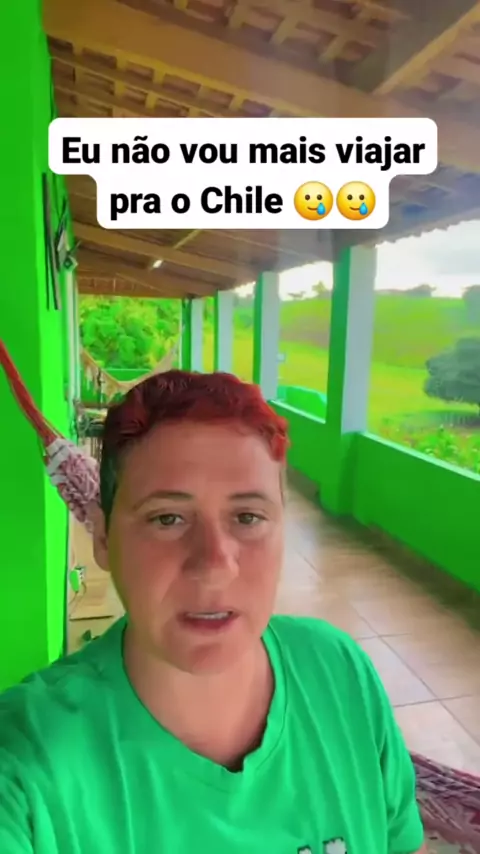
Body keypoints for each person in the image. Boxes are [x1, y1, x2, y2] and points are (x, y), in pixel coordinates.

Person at [0, 370, 426, 854]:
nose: (215, 566)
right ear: (102, 537)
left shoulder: (339, 672)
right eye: (167, 518)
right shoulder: (25, 764)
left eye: (247, 517)